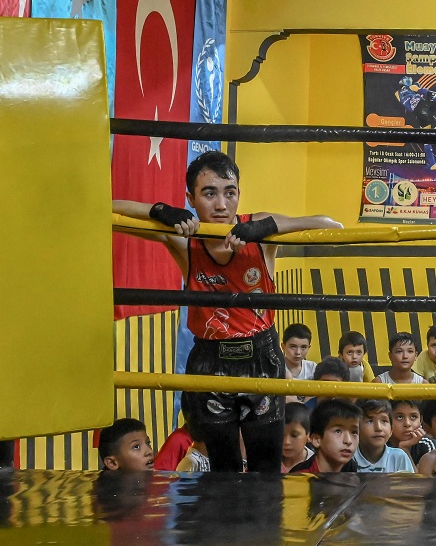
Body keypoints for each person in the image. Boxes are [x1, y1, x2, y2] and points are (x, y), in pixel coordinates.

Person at [112, 150, 342, 473]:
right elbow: (109, 211)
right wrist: (159, 210)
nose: (221, 204)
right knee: (222, 467)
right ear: (191, 198)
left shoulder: (259, 233)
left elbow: (332, 226)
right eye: (209, 193)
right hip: (210, 359)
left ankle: (262, 525)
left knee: (265, 467)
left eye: (229, 192)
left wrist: (268, 227)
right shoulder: (185, 240)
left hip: (260, 357)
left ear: (239, 195)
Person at [291, 399, 361, 473]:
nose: (348, 441)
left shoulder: (350, 466)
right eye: (338, 431)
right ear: (317, 440)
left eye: (354, 432)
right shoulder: (300, 475)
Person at [396, 75, 436, 170]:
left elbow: (401, 97)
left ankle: (432, 164)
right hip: (423, 109)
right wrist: (419, 90)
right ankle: (433, 164)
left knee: (426, 138)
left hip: (420, 111)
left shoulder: (399, 93)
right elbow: (419, 90)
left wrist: (417, 90)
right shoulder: (411, 88)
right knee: (426, 138)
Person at [354, 399, 415, 473]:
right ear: (356, 428)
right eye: (370, 421)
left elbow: (408, 484)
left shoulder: (399, 457)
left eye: (384, 421)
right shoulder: (350, 458)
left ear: (391, 429)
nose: (378, 428)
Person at [389, 399, 436, 466]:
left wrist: (405, 449)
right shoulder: (381, 442)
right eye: (399, 417)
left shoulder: (426, 444)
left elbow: (421, 476)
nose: (407, 423)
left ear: (420, 420)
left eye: (413, 417)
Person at [282, 324, 317, 398]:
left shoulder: (313, 368)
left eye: (303, 347)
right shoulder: (277, 368)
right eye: (293, 347)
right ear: (283, 347)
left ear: (309, 347)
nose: (298, 352)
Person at [281, 402, 313, 474]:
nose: (286, 442)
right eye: (281, 434)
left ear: (309, 436)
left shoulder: (315, 464)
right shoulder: (268, 461)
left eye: (294, 435)